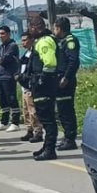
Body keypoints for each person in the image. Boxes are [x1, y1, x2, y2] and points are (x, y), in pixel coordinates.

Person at [31, 23, 59, 161]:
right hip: (42, 86)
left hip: (44, 87)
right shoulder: (42, 40)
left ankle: (50, 149)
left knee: (48, 120)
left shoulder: (44, 41)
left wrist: (42, 79)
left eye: (31, 27)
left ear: (36, 27)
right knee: (44, 117)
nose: (30, 30)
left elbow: (50, 63)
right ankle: (46, 146)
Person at [52, 17, 81, 150]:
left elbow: (73, 61)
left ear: (59, 28)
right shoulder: (61, 41)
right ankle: (66, 137)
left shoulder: (70, 41)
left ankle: (70, 139)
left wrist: (66, 77)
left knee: (66, 110)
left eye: (55, 28)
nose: (53, 30)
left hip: (65, 81)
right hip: (59, 79)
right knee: (62, 110)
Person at [0, 25, 21, 131]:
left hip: (9, 76)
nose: (0, 36)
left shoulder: (13, 45)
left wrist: (0, 60)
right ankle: (4, 122)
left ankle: (15, 122)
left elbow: (4, 59)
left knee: (11, 98)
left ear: (8, 34)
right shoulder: (1, 47)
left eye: (3, 33)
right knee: (1, 99)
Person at [16, 31, 43, 143]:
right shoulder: (26, 54)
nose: (23, 43)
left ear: (32, 40)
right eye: (22, 40)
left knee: (33, 110)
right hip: (23, 86)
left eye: (25, 40)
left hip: (30, 86)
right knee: (26, 110)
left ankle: (38, 132)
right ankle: (29, 130)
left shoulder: (35, 53)